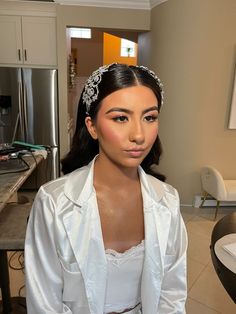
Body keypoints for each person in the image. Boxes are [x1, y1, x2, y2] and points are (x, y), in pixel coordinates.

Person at [25, 63, 187, 314]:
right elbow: (44, 302)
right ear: (91, 126)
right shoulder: (54, 203)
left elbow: (172, 293)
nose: (139, 135)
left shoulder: (167, 200)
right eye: (121, 118)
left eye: (149, 117)